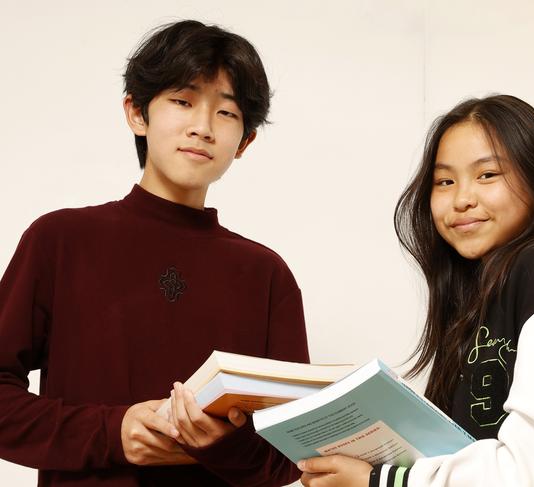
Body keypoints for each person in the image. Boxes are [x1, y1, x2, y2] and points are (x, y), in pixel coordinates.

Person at [0, 20, 308, 487]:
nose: (202, 128)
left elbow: (292, 455)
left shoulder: (266, 275)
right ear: (137, 113)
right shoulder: (60, 241)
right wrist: (110, 432)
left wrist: (221, 445)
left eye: (226, 113)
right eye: (182, 101)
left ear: (245, 141)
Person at [297, 95, 534, 486]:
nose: (462, 199)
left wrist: (382, 480)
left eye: (487, 175)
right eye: (445, 181)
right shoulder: (487, 289)